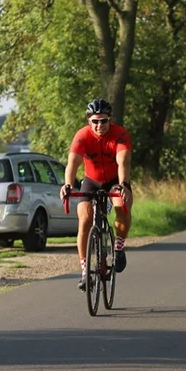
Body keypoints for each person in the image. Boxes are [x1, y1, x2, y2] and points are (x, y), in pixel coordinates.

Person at [60, 98, 133, 291]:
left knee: (122, 208)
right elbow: (72, 163)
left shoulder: (120, 134)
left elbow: (123, 161)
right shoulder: (82, 136)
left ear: (110, 120)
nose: (99, 125)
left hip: (115, 179)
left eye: (103, 121)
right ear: (89, 121)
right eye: (95, 121)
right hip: (91, 181)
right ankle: (85, 271)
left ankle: (119, 247)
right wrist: (68, 185)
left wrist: (123, 185)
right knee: (84, 219)